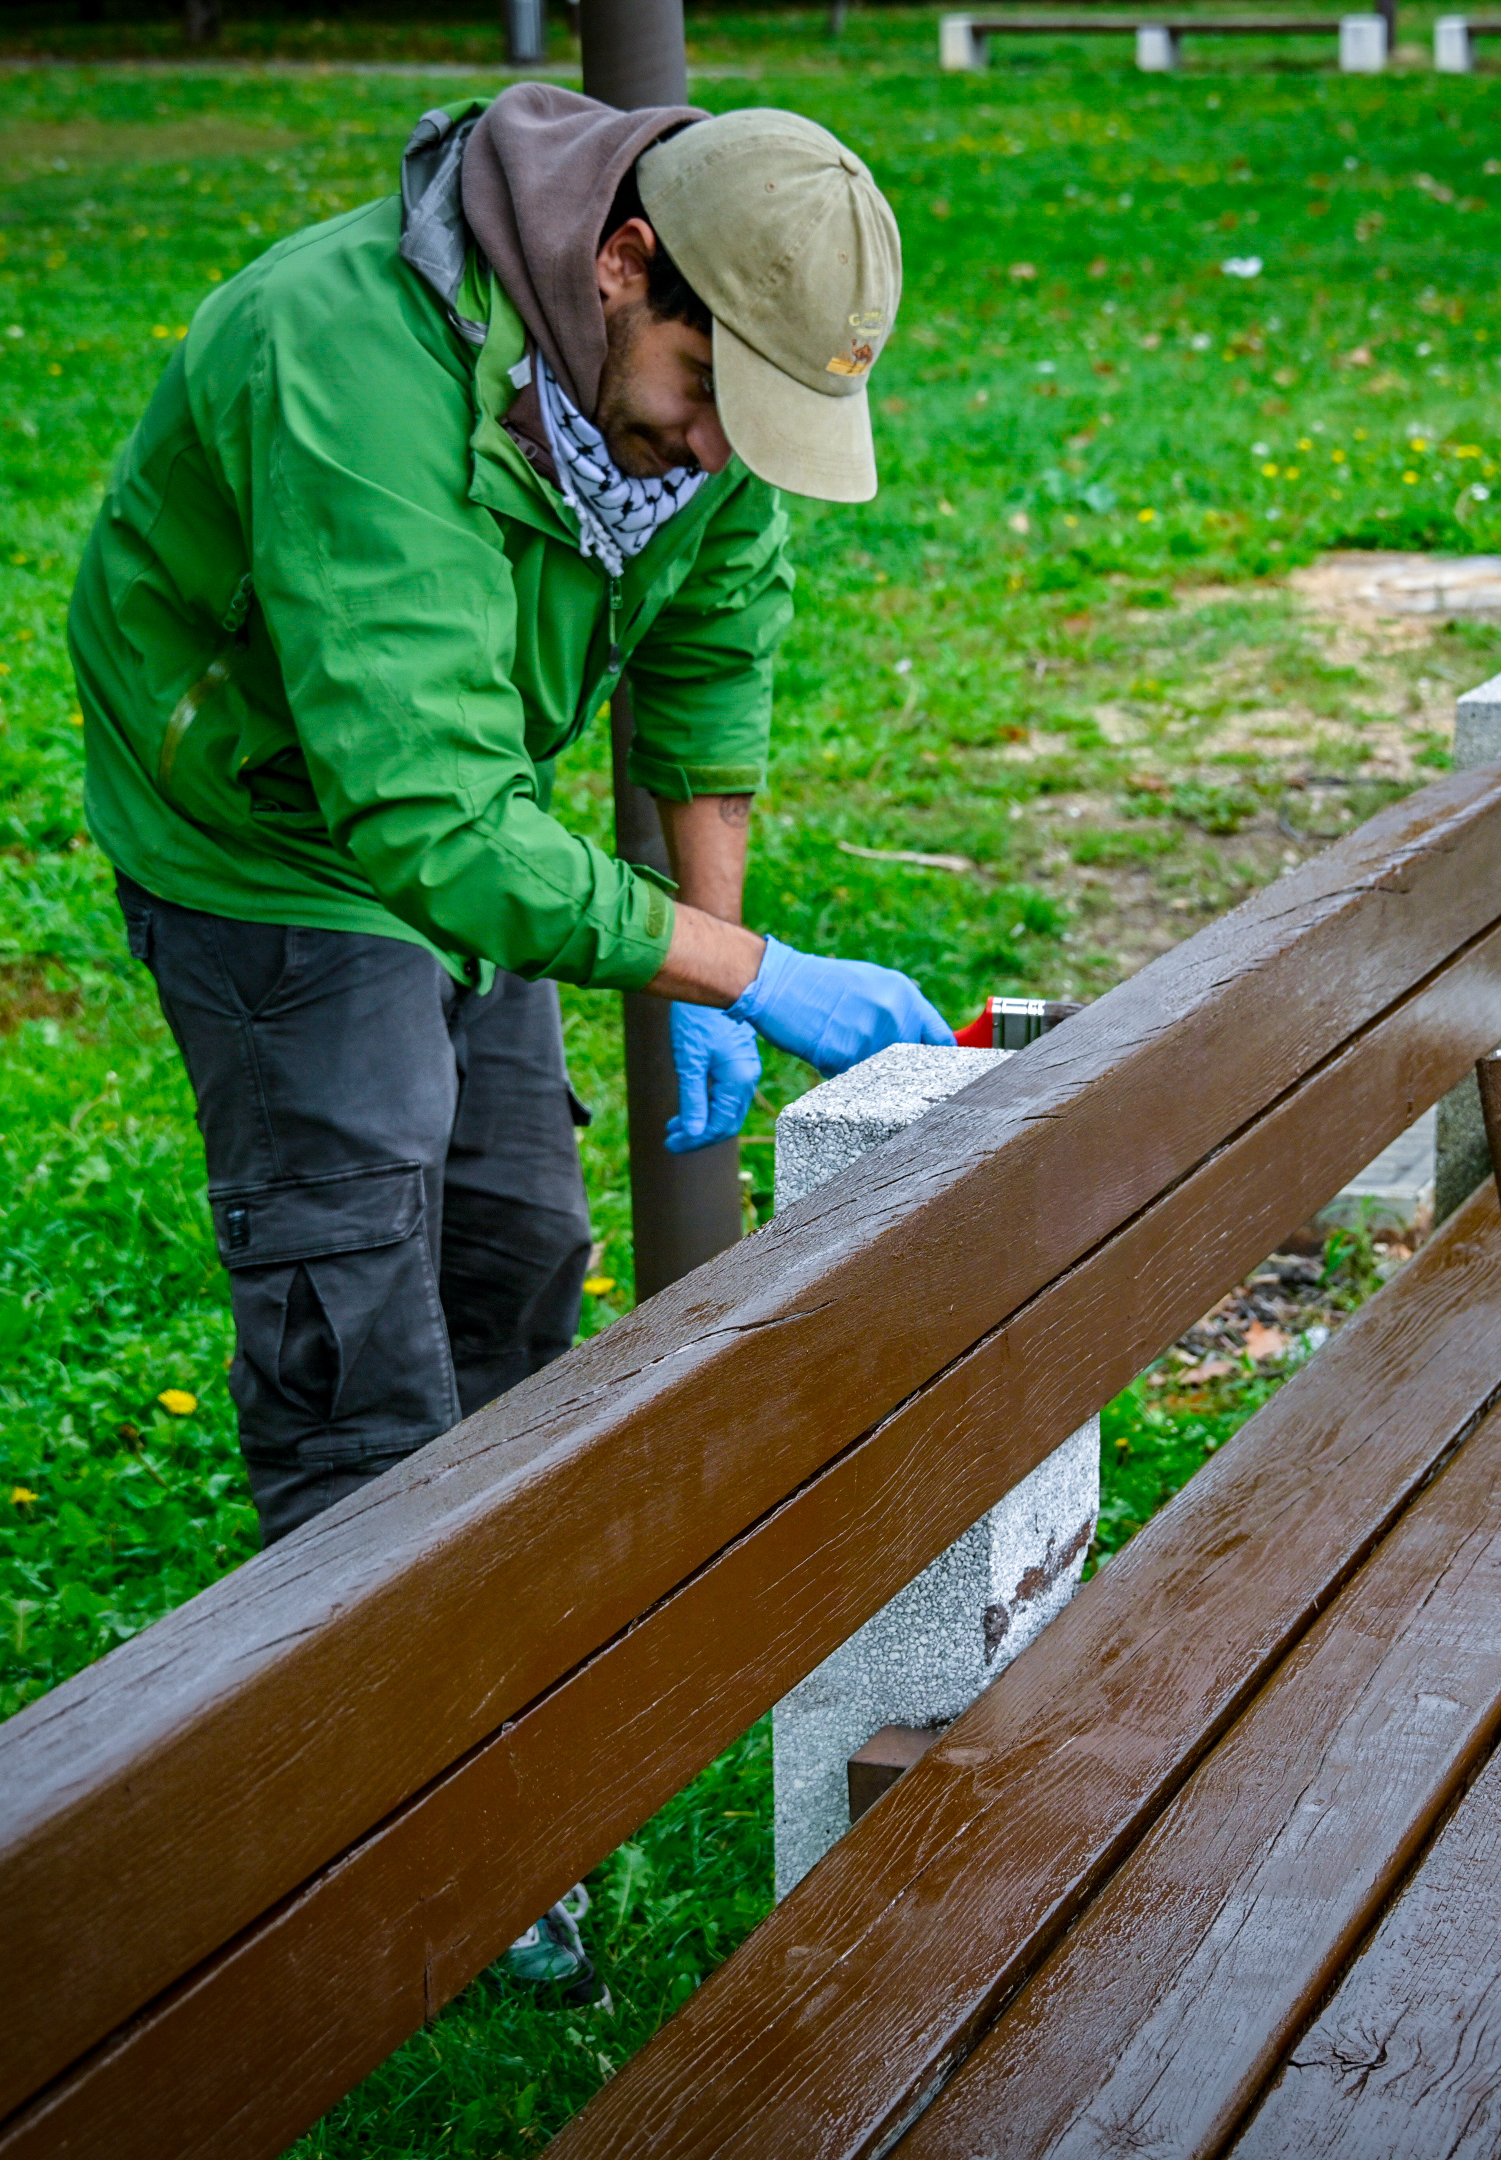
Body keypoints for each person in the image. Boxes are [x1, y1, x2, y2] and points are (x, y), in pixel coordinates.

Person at [72, 92, 955, 1988]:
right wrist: (740, 970)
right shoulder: (348, 361)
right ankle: (386, 1816)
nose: (726, 452)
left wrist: (699, 946)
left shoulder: (680, 385)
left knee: (519, 1249)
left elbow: (713, 638)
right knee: (355, 1302)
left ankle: (466, 1671)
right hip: (276, 829)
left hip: (468, 805)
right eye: (712, 396)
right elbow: (418, 822)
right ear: (621, 263)